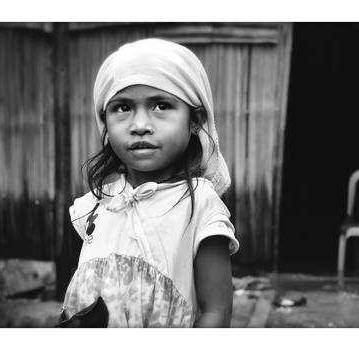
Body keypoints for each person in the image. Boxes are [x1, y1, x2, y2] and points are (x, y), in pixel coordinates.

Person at [57, 38, 239, 328]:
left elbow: (216, 310)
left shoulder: (200, 204)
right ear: (105, 121)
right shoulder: (98, 202)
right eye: (122, 107)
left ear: (195, 120)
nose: (140, 124)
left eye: (161, 105)